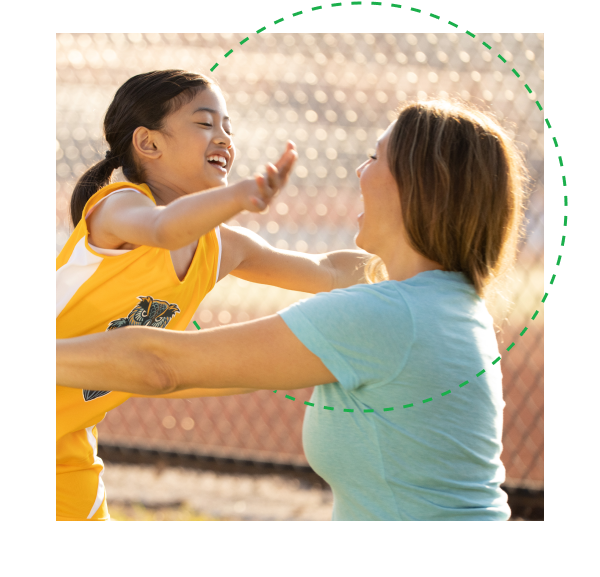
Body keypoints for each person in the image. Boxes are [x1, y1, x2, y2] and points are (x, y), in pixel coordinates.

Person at [57, 98, 531, 521]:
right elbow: (335, 272)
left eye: (373, 157)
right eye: (205, 122)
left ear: (420, 184)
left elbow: (161, 367)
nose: (360, 172)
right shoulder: (445, 302)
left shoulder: (383, 316)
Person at [56, 69, 370, 521]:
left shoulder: (222, 247)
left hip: (69, 445)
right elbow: (163, 229)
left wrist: (418, 261)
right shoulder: (119, 205)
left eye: (228, 127)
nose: (223, 137)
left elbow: (326, 271)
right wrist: (243, 196)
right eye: (205, 123)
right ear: (148, 144)